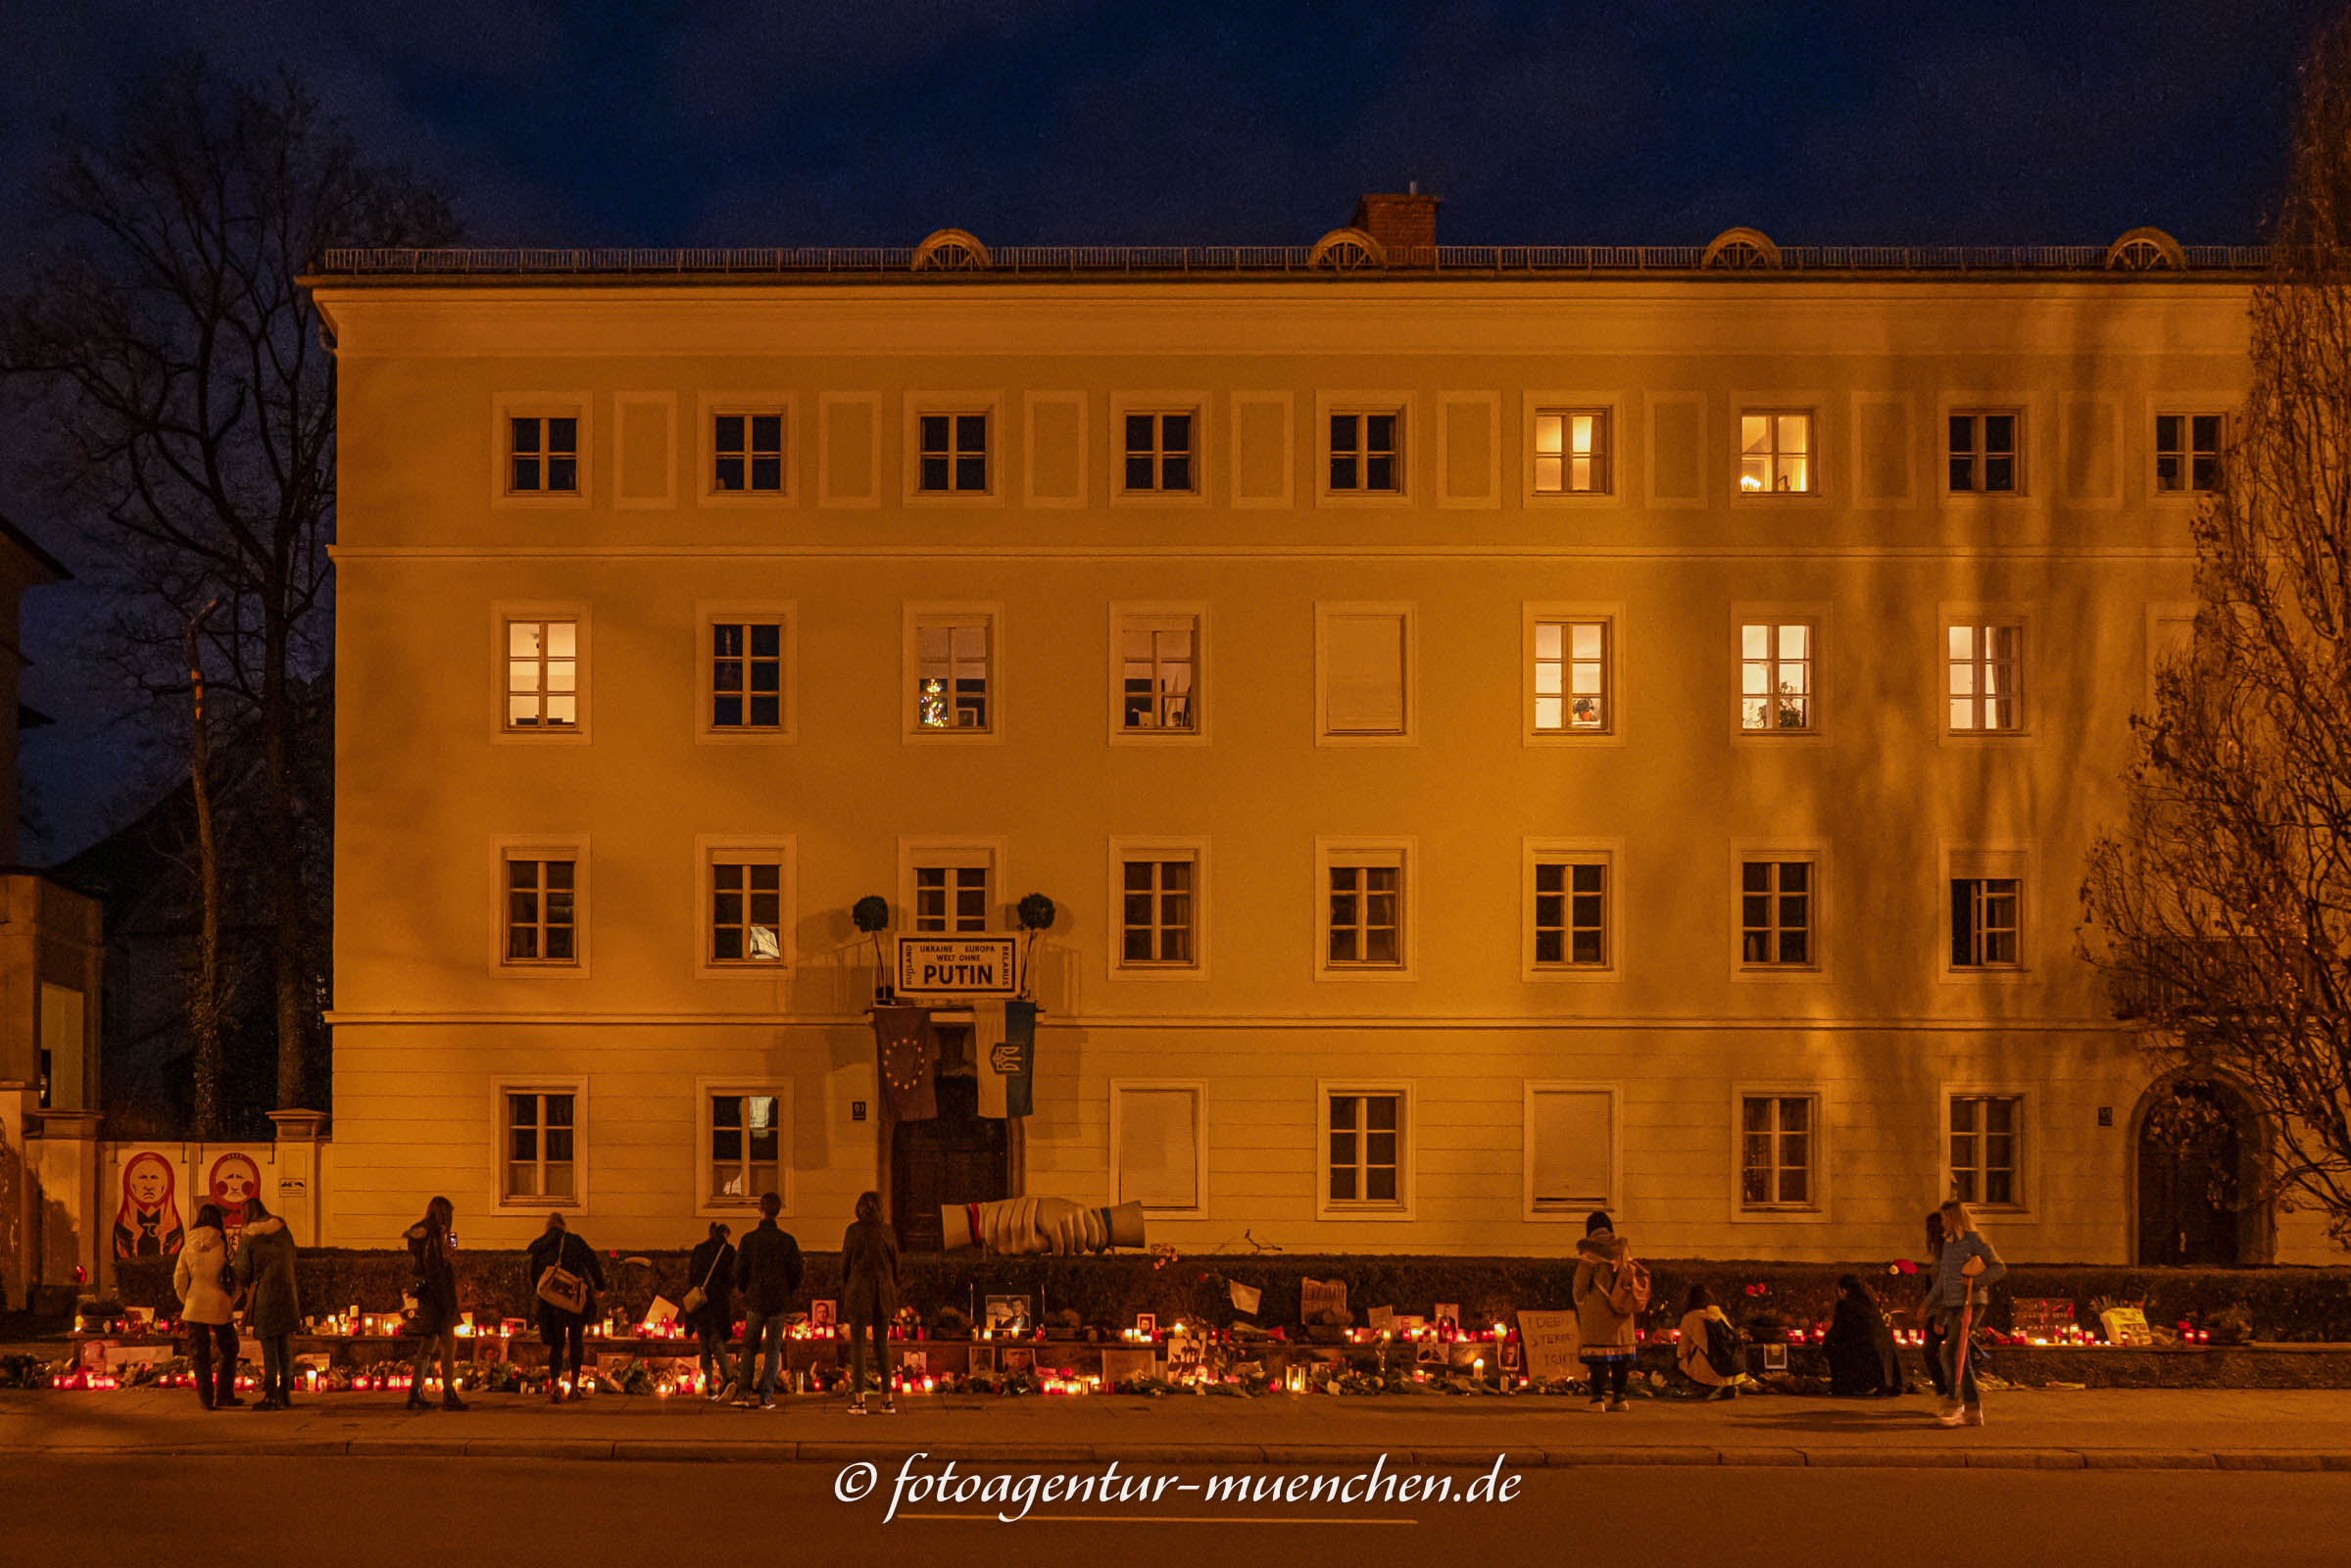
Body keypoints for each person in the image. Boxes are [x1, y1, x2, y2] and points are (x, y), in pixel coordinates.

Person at [1917, 1200, 2005, 1427]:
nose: (1942, 1222)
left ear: (1954, 1218)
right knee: (1956, 1353)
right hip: (1954, 1303)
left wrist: (1975, 1281)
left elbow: (1998, 1267)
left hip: (1972, 1302)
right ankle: (1972, 1408)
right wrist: (1930, 1306)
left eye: (1945, 1217)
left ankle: (1956, 1404)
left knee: (1952, 1353)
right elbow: (1943, 1284)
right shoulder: (1949, 1245)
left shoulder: (1974, 1241)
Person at [1571, 1209, 1648, 1412]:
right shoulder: (1624, 1252)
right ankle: (1620, 1398)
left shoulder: (1589, 1255)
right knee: (1620, 1360)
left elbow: (1579, 1288)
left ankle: (1598, 1400)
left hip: (1597, 1316)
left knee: (1598, 1361)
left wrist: (1581, 1305)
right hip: (1622, 1314)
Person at [733, 1192, 804, 1409]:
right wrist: (787, 1292)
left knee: (749, 1348)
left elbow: (738, 1272)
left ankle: (743, 1392)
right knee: (773, 1350)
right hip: (778, 1302)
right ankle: (767, 1395)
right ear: (778, 1211)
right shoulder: (787, 1241)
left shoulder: (749, 1240)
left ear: (760, 1210)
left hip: (755, 1300)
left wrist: (745, 1291)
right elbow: (796, 1273)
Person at [526, 1212, 606, 1402]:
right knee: (576, 1341)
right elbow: (592, 1262)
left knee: (557, 1344)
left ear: (547, 1227)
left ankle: (555, 1387)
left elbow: (534, 1277)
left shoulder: (540, 1246)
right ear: (564, 1226)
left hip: (551, 1304)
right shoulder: (575, 1242)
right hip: (574, 1302)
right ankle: (574, 1387)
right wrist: (600, 1286)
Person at [234, 1196, 301, 1409]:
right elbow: (293, 1255)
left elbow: (243, 1270)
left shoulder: (249, 1236)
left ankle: (271, 1396)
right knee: (284, 1345)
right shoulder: (283, 1230)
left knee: (269, 1346)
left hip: (265, 1294)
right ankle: (285, 1395)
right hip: (287, 1292)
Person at [172, 1202, 241, 1409]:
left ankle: (205, 1399)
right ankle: (224, 1395)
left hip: (195, 1305)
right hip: (220, 1304)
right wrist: (231, 1301)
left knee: (199, 1354)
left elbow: (179, 1278)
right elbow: (236, 1277)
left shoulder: (188, 1245)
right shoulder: (223, 1244)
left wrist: (187, 1300)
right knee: (229, 1349)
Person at [403, 1197, 465, 1411]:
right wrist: (446, 1302)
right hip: (438, 1298)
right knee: (449, 1346)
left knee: (427, 1345)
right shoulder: (435, 1235)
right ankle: (448, 1393)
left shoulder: (421, 1232)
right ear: (443, 1213)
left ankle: (415, 1392)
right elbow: (436, 1269)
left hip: (426, 1297)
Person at [841, 1191, 900, 1415]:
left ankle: (859, 1399)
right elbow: (896, 1265)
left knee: (858, 1347)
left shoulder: (853, 1231)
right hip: (883, 1293)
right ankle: (887, 1399)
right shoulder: (887, 1232)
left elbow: (844, 1264)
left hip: (858, 1292)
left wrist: (848, 1283)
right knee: (882, 1346)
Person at [1823, 1273, 1903, 1396]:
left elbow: (1838, 1331)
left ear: (1844, 1290)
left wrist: (1825, 1340)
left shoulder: (1844, 1305)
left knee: (1831, 1347)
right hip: (1883, 1353)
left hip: (1865, 1351)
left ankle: (1845, 1385)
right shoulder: (1870, 1304)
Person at [684, 1221, 737, 1401]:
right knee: (717, 1340)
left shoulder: (699, 1249)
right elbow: (732, 1278)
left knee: (704, 1345)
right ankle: (728, 1378)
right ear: (725, 1234)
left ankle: (710, 1387)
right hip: (718, 1304)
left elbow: (692, 1277)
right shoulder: (728, 1251)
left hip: (700, 1304)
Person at [1675, 1284, 1741, 1399]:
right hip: (1736, 1370)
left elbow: (1682, 1351)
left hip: (1712, 1370)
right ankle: (1727, 1386)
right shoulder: (1718, 1314)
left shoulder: (1690, 1317)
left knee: (1681, 1364)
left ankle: (1708, 1387)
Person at [1916, 1212, 1951, 1399]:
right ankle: (1944, 1388)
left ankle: (1946, 1390)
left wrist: (1938, 1316)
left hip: (1945, 1309)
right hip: (1937, 1309)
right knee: (1932, 1352)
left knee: (1932, 1351)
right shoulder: (1939, 1254)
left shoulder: (1946, 1252)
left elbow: (1943, 1286)